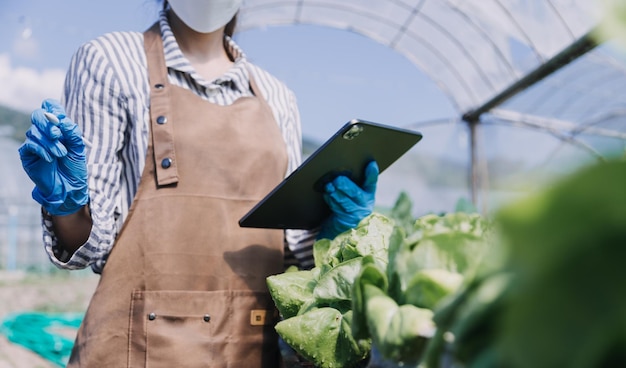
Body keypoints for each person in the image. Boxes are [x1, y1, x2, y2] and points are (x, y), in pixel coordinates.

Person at [18, 0, 379, 367]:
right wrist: (66, 206)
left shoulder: (278, 97)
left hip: (250, 346)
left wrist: (333, 230)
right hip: (137, 349)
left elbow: (293, 258)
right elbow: (91, 246)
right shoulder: (110, 60)